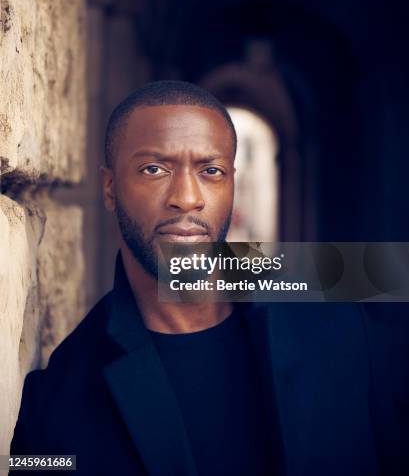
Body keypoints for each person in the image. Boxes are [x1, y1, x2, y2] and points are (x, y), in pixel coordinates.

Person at [10, 81, 409, 475]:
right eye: (154, 169)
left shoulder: (341, 311)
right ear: (110, 187)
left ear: (232, 183)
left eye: (211, 171)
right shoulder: (57, 398)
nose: (186, 197)